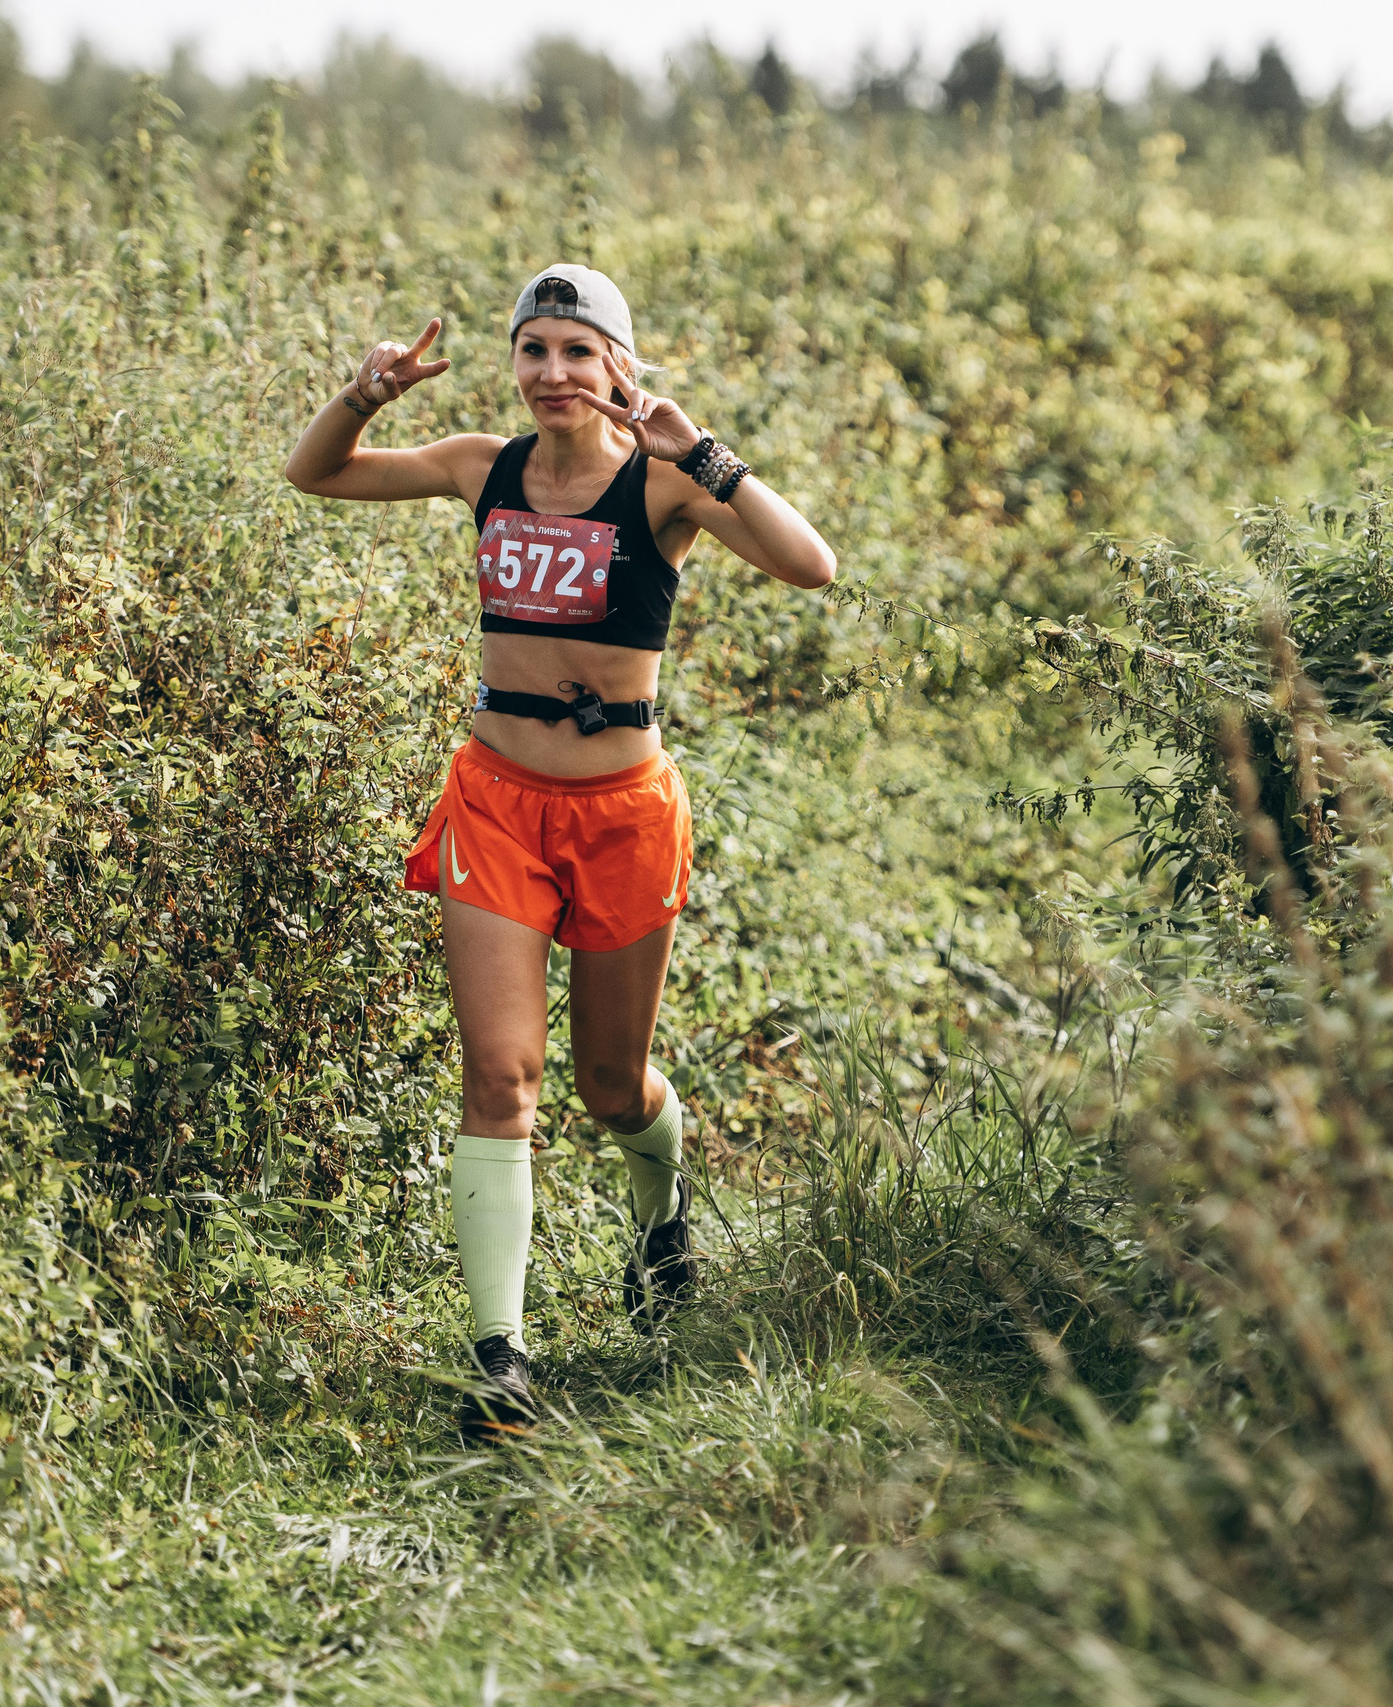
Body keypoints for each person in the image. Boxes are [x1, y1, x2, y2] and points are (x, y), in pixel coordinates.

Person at [282, 266, 837, 1442]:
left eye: (577, 352)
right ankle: (501, 1362)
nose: (551, 374)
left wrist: (708, 453)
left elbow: (809, 565)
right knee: (502, 1078)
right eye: (534, 349)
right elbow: (315, 473)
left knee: (607, 1087)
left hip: (625, 812)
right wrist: (363, 394)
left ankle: (661, 1198)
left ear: (617, 368)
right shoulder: (480, 463)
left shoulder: (666, 485)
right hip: (495, 801)